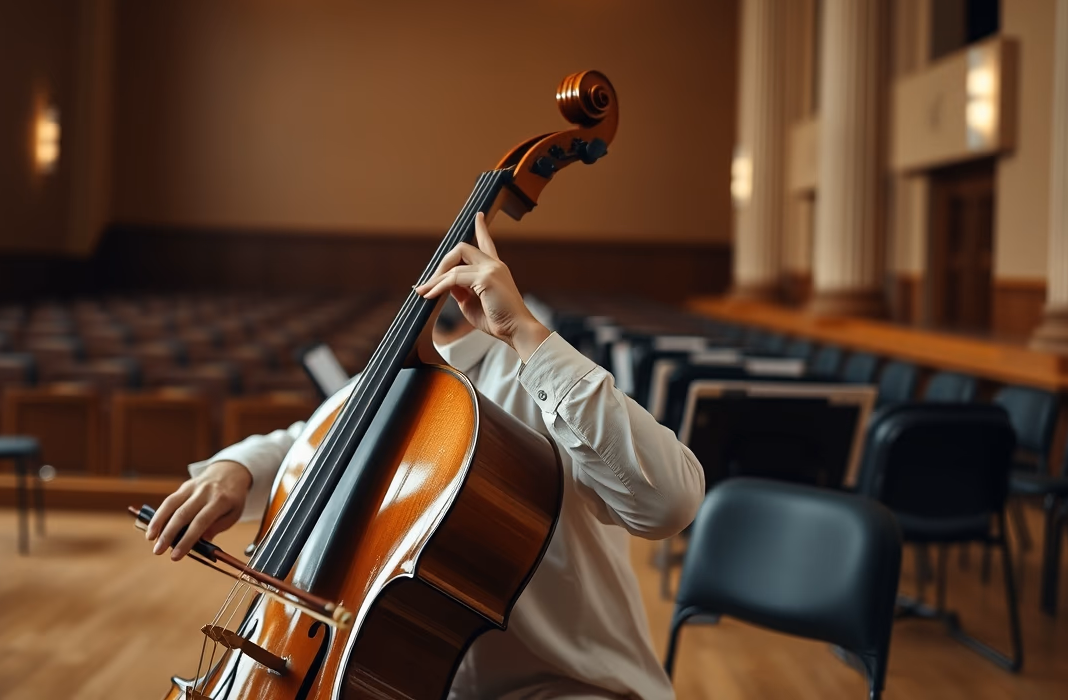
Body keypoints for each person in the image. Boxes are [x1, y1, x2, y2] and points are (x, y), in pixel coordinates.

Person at [145, 213, 706, 700]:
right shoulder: (384, 391)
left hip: (565, 687)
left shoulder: (547, 389)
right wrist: (235, 469)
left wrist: (527, 335)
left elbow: (669, 504)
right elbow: (309, 437)